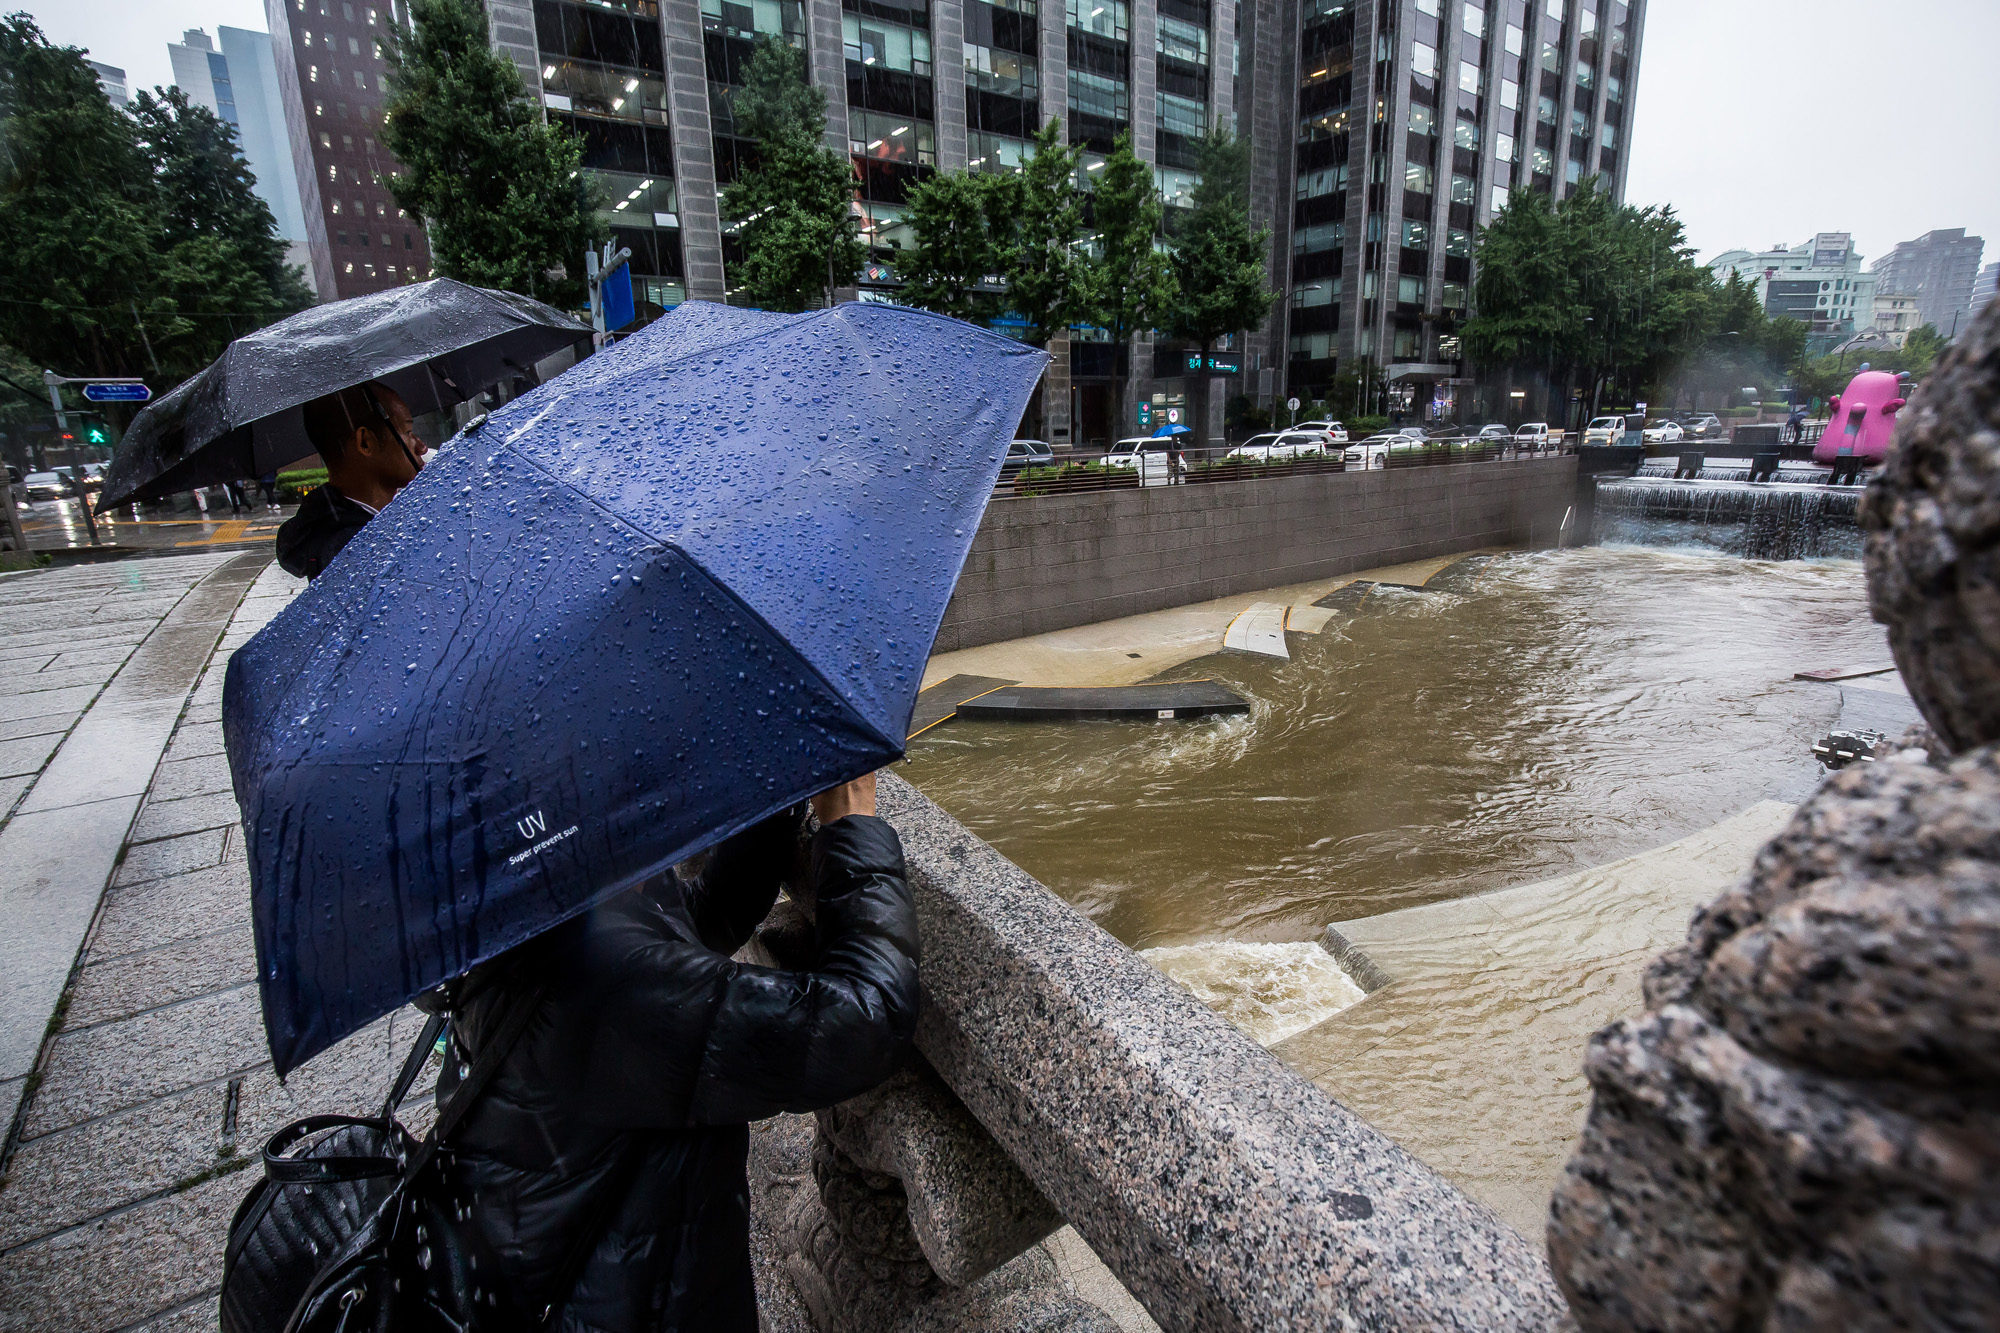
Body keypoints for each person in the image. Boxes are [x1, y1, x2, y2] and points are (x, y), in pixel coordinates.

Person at [434, 771, 918, 1331]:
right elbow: (868, 1017)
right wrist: (852, 820)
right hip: (640, 1303)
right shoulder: (608, 990)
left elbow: (699, 919)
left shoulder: (517, 914)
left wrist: (776, 802)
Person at [275, 383, 427, 579]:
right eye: (407, 432)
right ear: (365, 442)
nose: (421, 447)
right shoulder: (359, 554)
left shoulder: (362, 528)